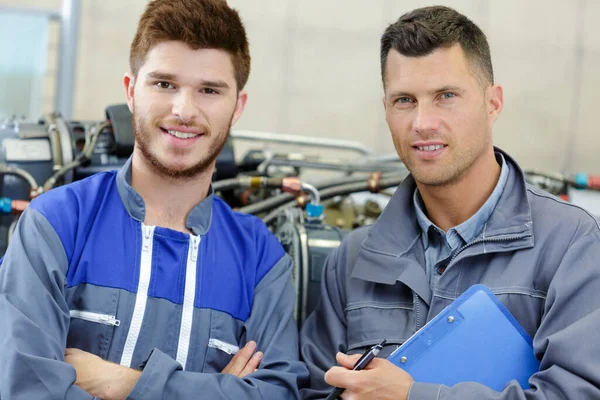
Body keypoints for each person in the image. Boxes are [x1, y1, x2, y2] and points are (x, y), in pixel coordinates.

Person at [0, 0, 308, 398]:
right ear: (131, 91)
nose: (184, 110)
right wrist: (217, 390)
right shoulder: (56, 225)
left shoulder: (261, 261)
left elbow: (278, 393)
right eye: (164, 84)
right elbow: (26, 388)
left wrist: (122, 383)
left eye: (210, 90)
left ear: (237, 108)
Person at [300, 5, 600, 400]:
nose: (422, 122)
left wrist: (414, 396)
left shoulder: (571, 245)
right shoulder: (354, 259)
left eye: (446, 96)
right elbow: (310, 391)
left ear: (493, 103)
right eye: (404, 100)